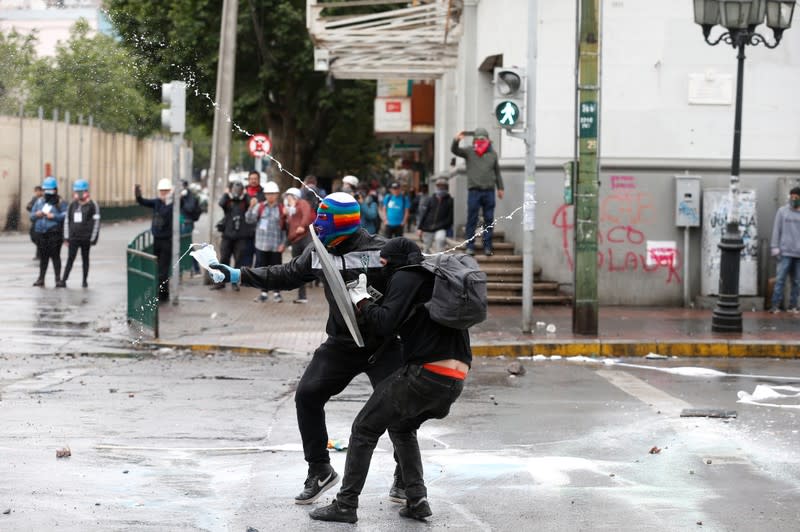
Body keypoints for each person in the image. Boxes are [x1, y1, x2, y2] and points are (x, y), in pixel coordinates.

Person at [208, 192, 405, 506]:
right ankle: (319, 470)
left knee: (398, 408)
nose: (317, 225)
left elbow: (412, 287)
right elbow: (286, 275)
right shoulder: (319, 251)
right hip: (341, 343)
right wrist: (237, 274)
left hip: (384, 343)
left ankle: (405, 474)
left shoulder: (382, 251)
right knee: (307, 396)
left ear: (341, 224)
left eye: (324, 220)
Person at [309, 238, 470, 524]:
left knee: (363, 428)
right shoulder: (434, 279)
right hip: (455, 376)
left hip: (427, 372)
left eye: (384, 263)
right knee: (402, 427)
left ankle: (346, 505)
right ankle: (417, 499)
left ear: (396, 260)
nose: (381, 268)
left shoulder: (406, 275)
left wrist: (362, 300)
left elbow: (384, 323)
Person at [135, 178, 197, 302]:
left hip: (167, 241)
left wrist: (178, 195)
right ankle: (161, 293)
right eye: (161, 191)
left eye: (165, 191)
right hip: (157, 239)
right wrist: (138, 194)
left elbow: (187, 205)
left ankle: (163, 296)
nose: (163, 193)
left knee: (163, 270)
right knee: (157, 268)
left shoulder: (175, 204)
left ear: (170, 191)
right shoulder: (157, 202)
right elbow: (143, 202)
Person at [451, 127, 504, 256]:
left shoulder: (493, 154)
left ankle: (487, 246)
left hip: (489, 191)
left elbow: (497, 172)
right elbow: (455, 150)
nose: (480, 141)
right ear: (474, 140)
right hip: (474, 191)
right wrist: (456, 140)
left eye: (483, 138)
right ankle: (470, 245)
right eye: (478, 138)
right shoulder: (469, 151)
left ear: (488, 140)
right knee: (472, 219)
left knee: (489, 219)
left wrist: (500, 187)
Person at [211, 180, 255, 291]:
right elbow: (221, 203)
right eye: (235, 189)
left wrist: (245, 195)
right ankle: (221, 282)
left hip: (241, 236)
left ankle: (234, 282)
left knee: (238, 260)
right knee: (224, 258)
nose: (237, 191)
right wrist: (227, 194)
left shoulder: (244, 200)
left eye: (239, 189)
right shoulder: (228, 200)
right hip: (227, 235)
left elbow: (251, 204)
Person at [246, 181, 286, 302]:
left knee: (277, 270)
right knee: (262, 270)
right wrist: (251, 207)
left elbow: (285, 228)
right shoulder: (260, 207)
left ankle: (277, 293)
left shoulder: (281, 209)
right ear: (264, 194)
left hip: (276, 246)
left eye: (273, 193)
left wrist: (283, 243)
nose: (270, 196)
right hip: (261, 245)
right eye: (268, 193)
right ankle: (263, 292)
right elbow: (249, 219)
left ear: (277, 195)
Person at [62, 179, 101, 288]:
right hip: (73, 237)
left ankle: (84, 280)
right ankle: (63, 280)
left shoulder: (93, 205)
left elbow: (96, 222)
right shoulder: (72, 205)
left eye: (81, 192)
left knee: (85, 259)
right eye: (77, 192)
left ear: (86, 191)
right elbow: (67, 220)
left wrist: (93, 238)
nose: (78, 194)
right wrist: (66, 237)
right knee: (70, 258)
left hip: (86, 238)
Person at [30, 177, 68, 287]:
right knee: (43, 257)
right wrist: (36, 215)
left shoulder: (60, 202)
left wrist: (54, 216)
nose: (47, 192)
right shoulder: (39, 201)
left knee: (55, 256)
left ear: (55, 190)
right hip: (41, 232)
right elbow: (31, 216)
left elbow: (66, 215)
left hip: (54, 232)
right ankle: (41, 279)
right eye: (45, 190)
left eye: (50, 190)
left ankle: (57, 279)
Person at [769, 186, 800, 313]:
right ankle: (775, 306)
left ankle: (793, 306)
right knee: (780, 279)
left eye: (796, 198)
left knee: (797, 282)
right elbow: (777, 229)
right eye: (791, 197)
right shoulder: (782, 211)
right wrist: (774, 246)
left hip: (799, 253)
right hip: (784, 252)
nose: (793, 199)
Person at [282, 186, 315, 303]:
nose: (287, 199)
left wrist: (302, 225)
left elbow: (306, 216)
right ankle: (302, 296)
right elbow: (289, 228)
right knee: (298, 268)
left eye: (289, 197)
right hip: (295, 240)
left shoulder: (302, 203)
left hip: (305, 239)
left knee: (310, 265)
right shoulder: (291, 210)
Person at [416, 178, 454, 255]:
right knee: (426, 248)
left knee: (440, 240)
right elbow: (424, 214)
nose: (440, 188)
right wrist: (420, 228)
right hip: (428, 227)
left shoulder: (450, 200)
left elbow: (450, 218)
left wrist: (442, 226)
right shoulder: (430, 199)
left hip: (440, 227)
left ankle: (439, 262)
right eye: (439, 186)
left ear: (446, 187)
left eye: (443, 186)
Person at [26, 185, 44, 261]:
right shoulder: (34, 199)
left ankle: (39, 254)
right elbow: (28, 206)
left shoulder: (43, 199)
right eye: (35, 191)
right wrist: (32, 209)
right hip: (35, 221)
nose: (37, 192)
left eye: (38, 191)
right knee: (33, 237)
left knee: (38, 239)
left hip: (41, 221)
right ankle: (42, 250)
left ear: (41, 191)